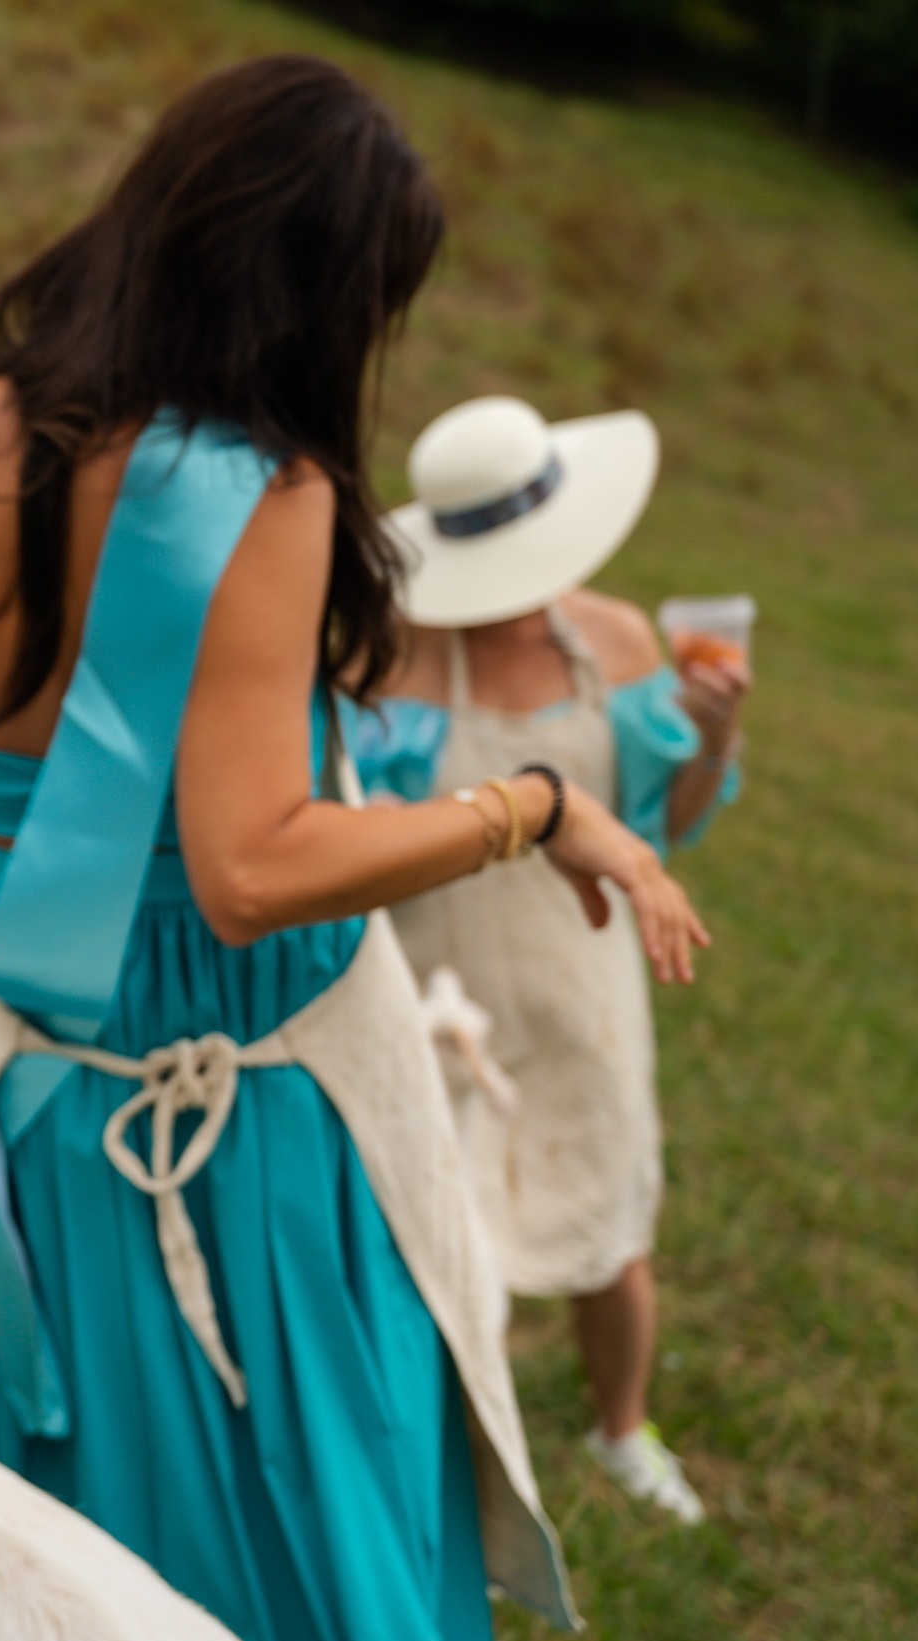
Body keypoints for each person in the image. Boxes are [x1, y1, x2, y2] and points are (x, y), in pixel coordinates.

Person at [0, 56, 708, 1641]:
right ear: (321, 293)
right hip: (244, 1108)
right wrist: (533, 808)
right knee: (303, 1502)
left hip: (47, 1074)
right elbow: (250, 863)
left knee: (92, 1538)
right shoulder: (258, 488)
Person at [354, 394, 748, 1526]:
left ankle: (621, 1428)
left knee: (607, 1224)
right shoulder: (392, 646)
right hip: (426, 983)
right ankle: (429, 1449)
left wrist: (714, 736)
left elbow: (658, 826)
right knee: (424, 1226)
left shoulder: (614, 639)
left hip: (577, 980)